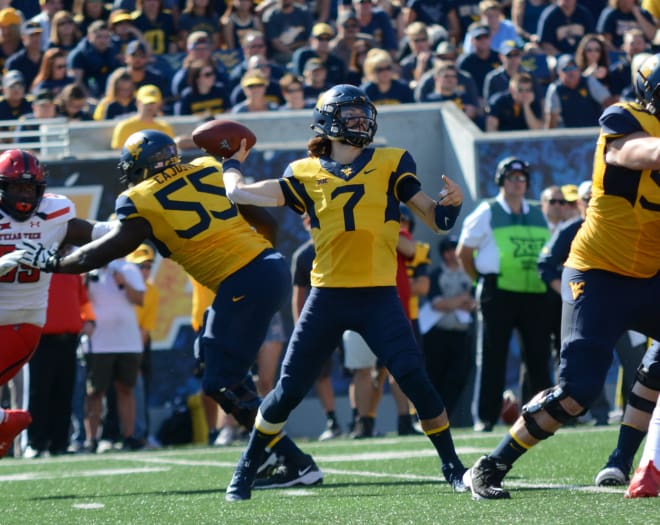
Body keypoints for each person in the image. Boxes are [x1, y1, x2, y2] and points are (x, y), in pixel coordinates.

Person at [16, 129, 322, 489]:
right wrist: (255, 259)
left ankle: (292, 461)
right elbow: (266, 222)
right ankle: (279, 455)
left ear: (140, 167)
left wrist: (53, 262)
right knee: (211, 362)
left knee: (219, 381)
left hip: (245, 280)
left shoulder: (140, 197)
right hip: (266, 266)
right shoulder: (207, 167)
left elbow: (106, 250)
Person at [220, 84, 466, 501]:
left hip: (378, 296)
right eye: (350, 116)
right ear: (328, 122)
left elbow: (437, 219)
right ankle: (245, 468)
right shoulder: (304, 172)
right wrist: (230, 164)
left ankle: (453, 468)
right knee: (288, 391)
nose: (360, 122)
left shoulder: (392, 162)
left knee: (416, 381)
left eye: (362, 115)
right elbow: (238, 193)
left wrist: (452, 205)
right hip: (327, 296)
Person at [462, 52, 660, 500]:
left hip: (649, 274)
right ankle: (492, 464)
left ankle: (622, 460)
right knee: (578, 393)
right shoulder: (623, 118)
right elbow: (630, 151)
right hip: (598, 273)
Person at [0, 148, 110, 459]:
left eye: (29, 187)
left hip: (23, 321)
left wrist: (131, 225)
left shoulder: (54, 214)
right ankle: (6, 422)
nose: (23, 194)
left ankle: (8, 422)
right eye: (16, 187)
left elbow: (95, 231)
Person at [456, 156, 552, 433]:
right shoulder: (487, 211)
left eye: (522, 178)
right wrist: (480, 282)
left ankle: (542, 414)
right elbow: (464, 252)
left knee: (537, 355)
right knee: (492, 355)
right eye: (512, 177)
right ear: (501, 180)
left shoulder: (537, 212)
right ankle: (485, 417)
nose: (518, 183)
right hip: (497, 292)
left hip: (533, 292)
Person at [423, 235, 475, 418]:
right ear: (444, 254)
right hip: (438, 333)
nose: (454, 254)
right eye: (450, 250)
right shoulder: (437, 274)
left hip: (461, 333)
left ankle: (447, 415)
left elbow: (474, 302)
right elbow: (437, 304)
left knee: (459, 376)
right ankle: (431, 415)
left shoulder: (469, 273)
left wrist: (454, 302)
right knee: (435, 376)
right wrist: (461, 299)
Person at [544, 54, 614, 129]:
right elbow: (552, 120)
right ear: (559, 72)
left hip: (595, 131)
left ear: (579, 69)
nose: (571, 72)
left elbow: (608, 103)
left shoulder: (589, 81)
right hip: (568, 136)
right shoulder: (555, 89)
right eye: (566, 69)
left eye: (573, 68)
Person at [110, 84, 174, 149]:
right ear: (138, 103)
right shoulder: (125, 127)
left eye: (153, 103)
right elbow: (118, 153)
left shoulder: (164, 127)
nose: (150, 106)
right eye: (146, 103)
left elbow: (170, 151)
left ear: (159, 104)